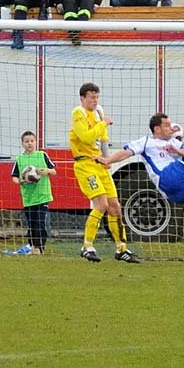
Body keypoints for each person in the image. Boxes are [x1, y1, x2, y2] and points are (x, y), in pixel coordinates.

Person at [69, 83, 139, 263]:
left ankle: (121, 248)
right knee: (100, 204)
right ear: (82, 98)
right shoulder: (79, 113)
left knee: (115, 206)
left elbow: (103, 140)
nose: (95, 100)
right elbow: (86, 136)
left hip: (100, 164)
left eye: (96, 97)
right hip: (85, 165)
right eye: (91, 97)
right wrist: (103, 123)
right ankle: (87, 246)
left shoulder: (98, 112)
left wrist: (108, 161)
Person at [4, 131, 57, 256]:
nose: (30, 144)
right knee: (31, 224)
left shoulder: (42, 155)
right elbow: (14, 177)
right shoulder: (19, 159)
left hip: (43, 195)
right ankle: (32, 246)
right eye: (27, 141)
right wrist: (21, 181)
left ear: (35, 142)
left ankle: (40, 248)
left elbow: (54, 171)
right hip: (28, 198)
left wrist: (45, 171)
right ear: (22, 144)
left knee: (40, 223)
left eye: (32, 141)